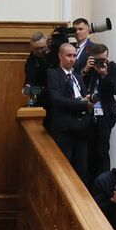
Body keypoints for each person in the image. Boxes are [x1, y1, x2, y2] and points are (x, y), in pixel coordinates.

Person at [45, 42, 93, 180]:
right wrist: (82, 104)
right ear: (60, 56)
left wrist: (88, 99)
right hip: (65, 128)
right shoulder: (53, 74)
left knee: (82, 168)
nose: (72, 59)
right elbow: (57, 100)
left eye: (74, 56)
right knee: (64, 167)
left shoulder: (77, 76)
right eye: (69, 56)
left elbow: (85, 95)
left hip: (82, 127)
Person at [85, 44, 116, 179]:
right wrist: (86, 69)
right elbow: (80, 84)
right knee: (89, 150)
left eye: (104, 59)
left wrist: (104, 74)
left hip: (105, 113)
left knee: (102, 150)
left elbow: (114, 89)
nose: (101, 62)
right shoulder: (89, 67)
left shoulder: (112, 67)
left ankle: (103, 181)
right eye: (98, 59)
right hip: (89, 111)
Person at [23, 31, 50, 104]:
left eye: (42, 48)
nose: (40, 51)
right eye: (36, 49)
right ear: (31, 47)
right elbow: (30, 78)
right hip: (40, 97)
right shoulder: (31, 61)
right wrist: (28, 86)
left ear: (47, 44)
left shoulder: (55, 57)